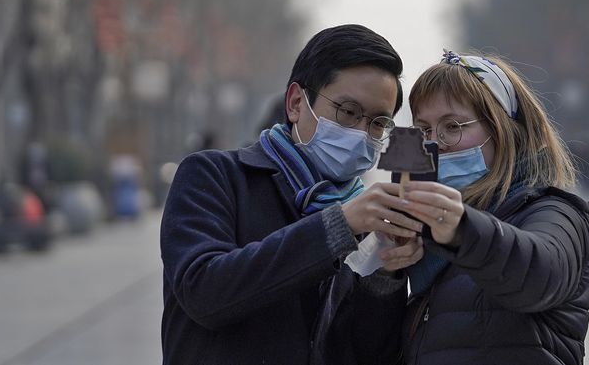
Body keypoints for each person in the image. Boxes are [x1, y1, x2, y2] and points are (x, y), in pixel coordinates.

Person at [160, 24, 424, 365]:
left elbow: (370, 353)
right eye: (348, 112)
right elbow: (204, 293)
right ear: (297, 103)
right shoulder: (214, 176)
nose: (362, 133)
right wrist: (336, 228)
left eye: (377, 123)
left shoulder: (363, 219)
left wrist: (386, 275)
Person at [395, 50, 589, 365]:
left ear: (501, 131)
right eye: (424, 130)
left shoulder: (556, 213)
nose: (435, 143)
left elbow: (539, 273)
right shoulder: (424, 240)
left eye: (452, 126)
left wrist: (461, 230)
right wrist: (384, 275)